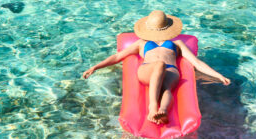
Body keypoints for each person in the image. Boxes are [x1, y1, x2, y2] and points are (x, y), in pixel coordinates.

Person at [82, 10, 230, 125]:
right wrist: (95, 67)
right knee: (159, 65)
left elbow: (196, 63)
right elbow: (117, 57)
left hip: (171, 71)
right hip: (148, 70)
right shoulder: (141, 43)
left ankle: (162, 111)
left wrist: (218, 76)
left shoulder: (178, 44)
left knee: (167, 89)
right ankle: (153, 108)